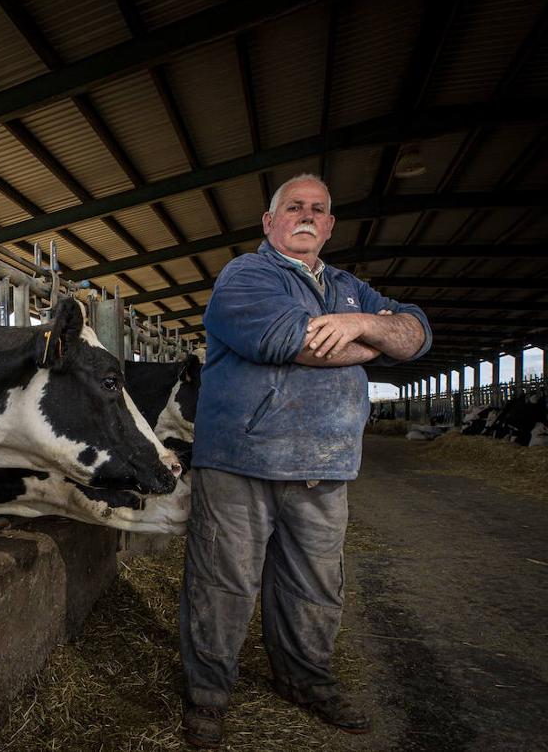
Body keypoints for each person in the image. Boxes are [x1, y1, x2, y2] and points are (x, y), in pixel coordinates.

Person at [179, 174, 430, 748]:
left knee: (316, 586)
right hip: (243, 459)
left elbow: (416, 334)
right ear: (270, 222)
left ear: (331, 225)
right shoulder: (245, 276)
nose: (307, 215)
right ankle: (209, 697)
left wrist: (361, 323)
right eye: (294, 207)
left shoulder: (348, 287)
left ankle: (304, 680)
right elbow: (293, 342)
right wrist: (373, 346)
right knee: (224, 584)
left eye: (318, 209)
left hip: (326, 463)